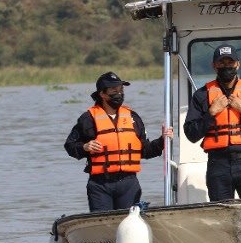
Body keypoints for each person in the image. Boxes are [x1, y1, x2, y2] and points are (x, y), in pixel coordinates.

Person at [64, 71, 173, 212]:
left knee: (128, 220)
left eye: (121, 90)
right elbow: (70, 146)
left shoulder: (133, 118)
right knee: (103, 222)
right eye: (114, 91)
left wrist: (162, 140)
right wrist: (85, 147)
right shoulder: (88, 119)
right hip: (100, 185)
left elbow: (145, 151)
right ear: (102, 94)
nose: (119, 94)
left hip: (128, 184)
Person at [183, 45, 241, 201]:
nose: (226, 66)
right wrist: (211, 113)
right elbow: (191, 134)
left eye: (230, 62)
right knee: (221, 211)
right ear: (214, 65)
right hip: (217, 164)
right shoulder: (202, 95)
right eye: (221, 62)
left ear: (237, 64)